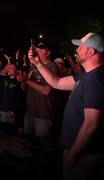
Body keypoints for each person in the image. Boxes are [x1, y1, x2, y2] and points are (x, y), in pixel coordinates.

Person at [28, 32, 104, 180]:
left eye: (80, 47)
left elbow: (91, 125)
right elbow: (56, 82)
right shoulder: (86, 76)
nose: (76, 50)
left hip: (84, 155)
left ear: (91, 51)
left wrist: (73, 153)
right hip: (78, 152)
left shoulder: (96, 80)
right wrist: (38, 63)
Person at [24, 41, 59, 142]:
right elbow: (25, 88)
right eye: (37, 48)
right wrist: (21, 80)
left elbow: (46, 91)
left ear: (48, 52)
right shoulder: (32, 66)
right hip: (29, 112)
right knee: (27, 143)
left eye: (42, 48)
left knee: (42, 147)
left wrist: (26, 80)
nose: (38, 49)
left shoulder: (52, 66)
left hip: (43, 114)